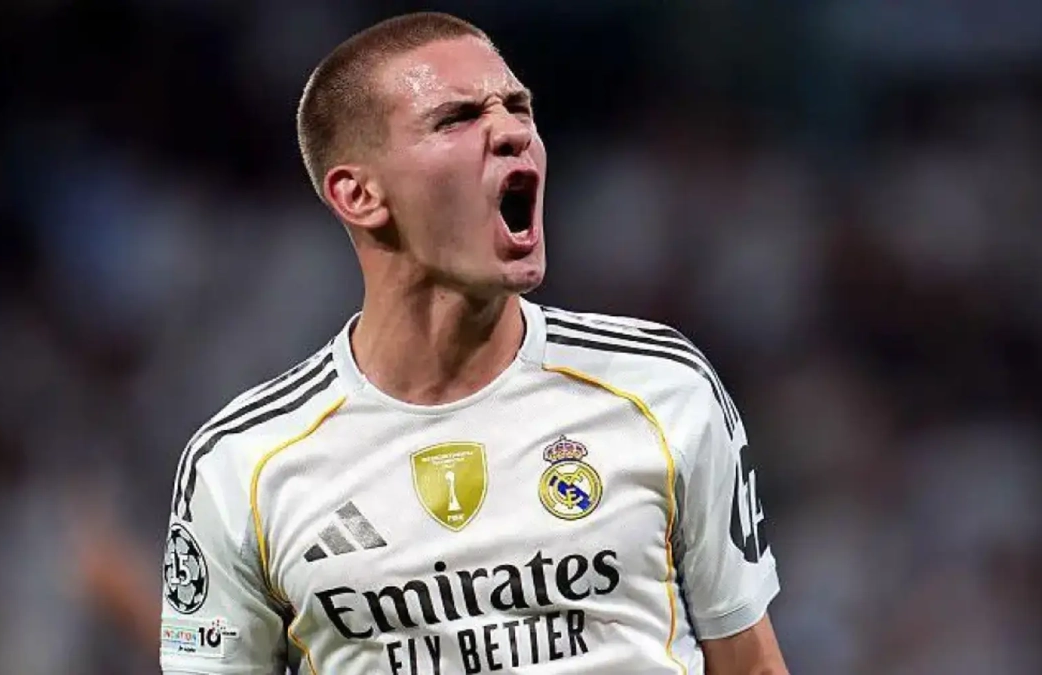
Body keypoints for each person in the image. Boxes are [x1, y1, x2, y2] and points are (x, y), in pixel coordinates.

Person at [160, 11, 788, 675]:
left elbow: (749, 663)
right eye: (458, 118)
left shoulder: (663, 388)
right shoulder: (242, 466)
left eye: (519, 107)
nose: (513, 131)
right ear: (359, 193)